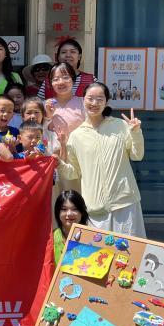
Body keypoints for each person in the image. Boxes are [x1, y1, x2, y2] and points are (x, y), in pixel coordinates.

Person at [55, 83, 146, 236]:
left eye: (99, 99)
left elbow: (137, 155)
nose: (94, 103)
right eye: (90, 98)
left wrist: (136, 132)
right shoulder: (76, 136)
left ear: (106, 102)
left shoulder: (121, 126)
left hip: (124, 203)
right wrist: (59, 164)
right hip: (95, 208)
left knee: (128, 249)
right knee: (99, 250)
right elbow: (73, 173)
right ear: (83, 100)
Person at [52, 190, 90, 268]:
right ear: (58, 212)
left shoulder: (92, 236)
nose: (69, 213)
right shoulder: (51, 239)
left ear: (82, 212)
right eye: (64, 209)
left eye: (75, 209)